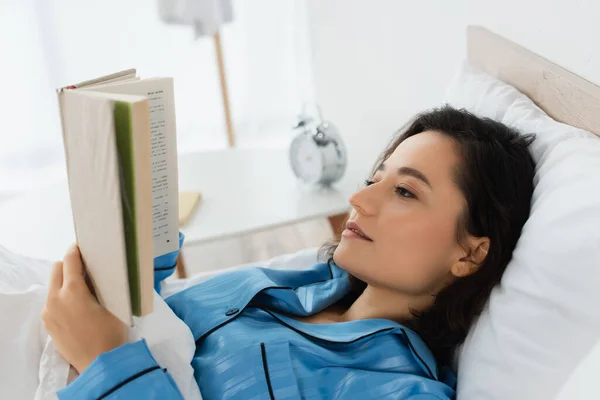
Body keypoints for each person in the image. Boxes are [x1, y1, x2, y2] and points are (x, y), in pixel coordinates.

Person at [42, 106, 536, 399]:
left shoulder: (398, 390)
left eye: (405, 192)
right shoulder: (294, 286)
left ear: (470, 254)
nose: (359, 200)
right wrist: (138, 260)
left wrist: (107, 364)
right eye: (373, 179)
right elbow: (169, 327)